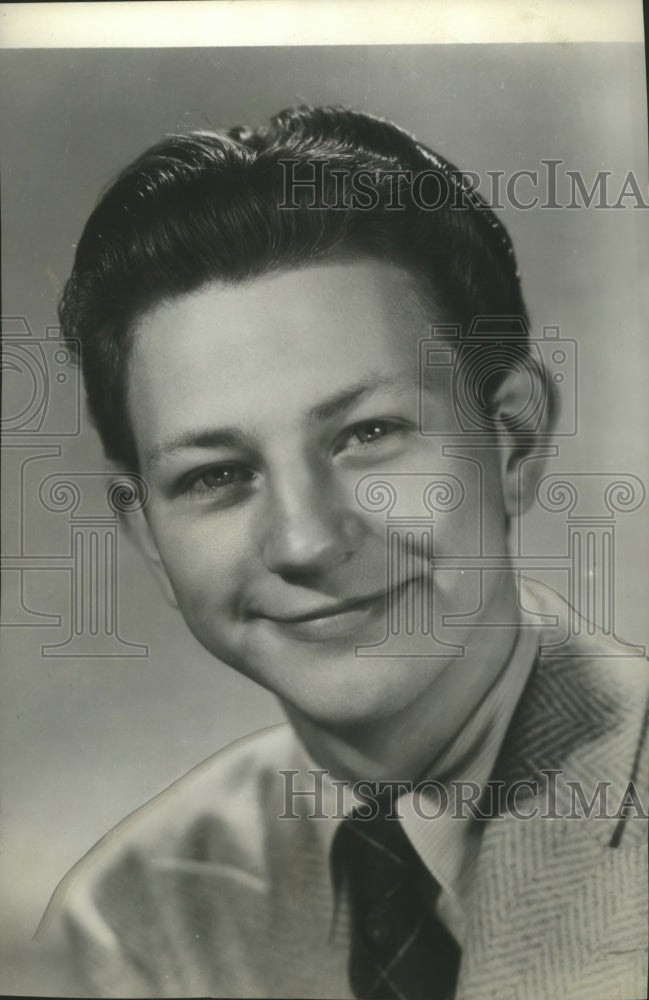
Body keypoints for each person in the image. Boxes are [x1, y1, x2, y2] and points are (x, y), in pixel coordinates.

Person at [38, 106, 648, 999]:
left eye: (367, 433)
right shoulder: (134, 919)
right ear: (147, 536)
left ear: (512, 439)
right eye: (216, 475)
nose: (307, 540)